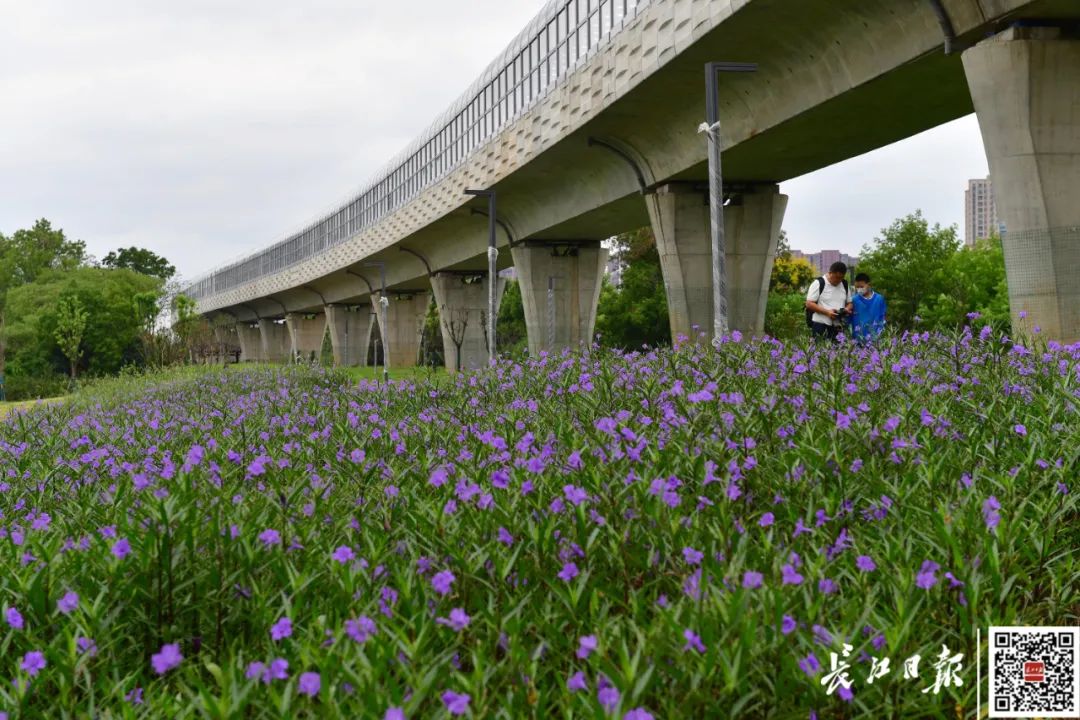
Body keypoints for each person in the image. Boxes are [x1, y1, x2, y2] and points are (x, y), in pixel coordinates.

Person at [805, 261, 854, 342]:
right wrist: (827, 312)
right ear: (830, 273)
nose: (838, 280)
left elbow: (850, 303)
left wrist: (845, 310)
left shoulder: (844, 284)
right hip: (820, 325)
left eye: (841, 278)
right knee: (820, 352)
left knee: (839, 352)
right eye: (836, 277)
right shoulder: (819, 283)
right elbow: (809, 304)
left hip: (838, 326)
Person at [851, 272, 886, 343]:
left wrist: (879, 333)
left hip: (875, 339)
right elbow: (849, 319)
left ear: (869, 285)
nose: (859, 289)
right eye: (857, 287)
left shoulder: (879, 299)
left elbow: (882, 318)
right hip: (857, 340)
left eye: (861, 287)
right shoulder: (854, 300)